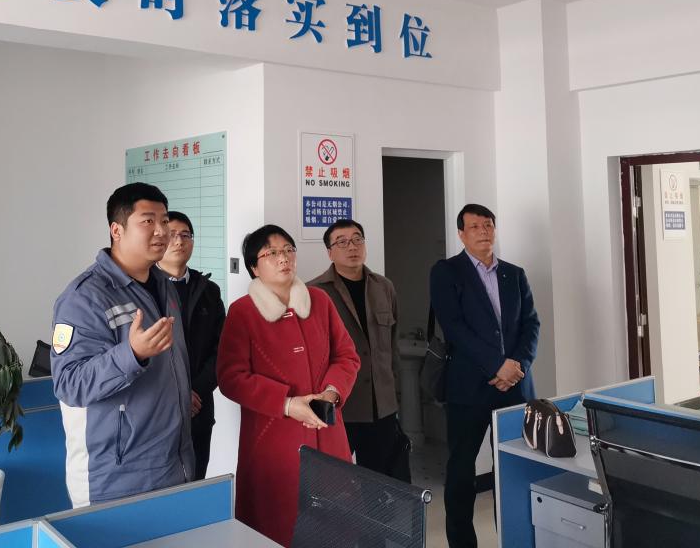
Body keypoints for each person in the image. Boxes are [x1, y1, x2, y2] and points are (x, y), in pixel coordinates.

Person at [50, 183, 194, 507]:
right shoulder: (84, 297)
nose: (162, 231)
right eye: (148, 221)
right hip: (116, 477)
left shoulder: (164, 285)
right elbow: (69, 384)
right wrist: (132, 355)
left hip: (173, 463)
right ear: (117, 230)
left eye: (164, 220)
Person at [217, 224, 360, 547]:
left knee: (335, 525)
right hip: (273, 438)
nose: (283, 258)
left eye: (288, 250)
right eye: (271, 253)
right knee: (277, 527)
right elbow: (231, 378)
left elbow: (346, 356)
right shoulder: (242, 312)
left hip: (327, 430)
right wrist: (286, 404)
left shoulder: (319, 301)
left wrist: (332, 391)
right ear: (254, 267)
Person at [430, 204, 540, 548]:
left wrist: (517, 365)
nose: (483, 231)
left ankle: (513, 539)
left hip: (514, 388)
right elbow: (454, 327)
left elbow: (531, 324)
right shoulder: (447, 272)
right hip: (468, 389)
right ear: (461, 234)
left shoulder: (514, 274)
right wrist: (496, 365)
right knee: (461, 471)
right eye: (475, 226)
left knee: (513, 468)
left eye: (488, 225)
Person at [307, 219, 407, 480]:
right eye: (342, 242)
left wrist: (394, 396)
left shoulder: (384, 287)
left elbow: (392, 347)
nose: (352, 247)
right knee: (332, 481)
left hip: (381, 406)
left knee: (379, 482)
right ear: (330, 252)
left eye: (357, 239)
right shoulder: (314, 292)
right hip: (341, 405)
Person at [157, 210, 226, 480]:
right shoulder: (144, 289)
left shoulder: (209, 290)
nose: (179, 241)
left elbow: (222, 349)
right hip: (159, 409)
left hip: (199, 407)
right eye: (172, 234)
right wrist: (177, 394)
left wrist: (194, 391)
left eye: (186, 235)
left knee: (196, 481)